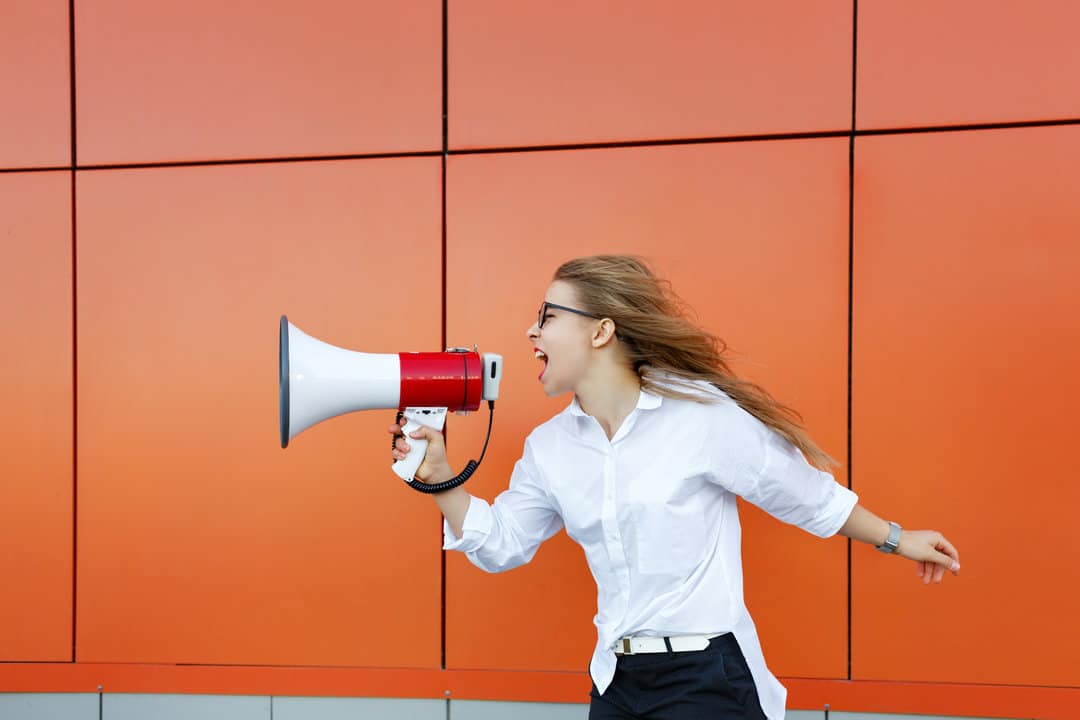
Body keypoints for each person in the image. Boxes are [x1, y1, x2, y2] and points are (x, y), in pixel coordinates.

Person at [388, 255, 960, 720]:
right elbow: (503, 543)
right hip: (616, 681)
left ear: (602, 331)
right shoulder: (550, 447)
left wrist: (897, 538)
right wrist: (441, 480)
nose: (531, 331)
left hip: (707, 681)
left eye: (548, 316)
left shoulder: (700, 416)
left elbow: (804, 495)